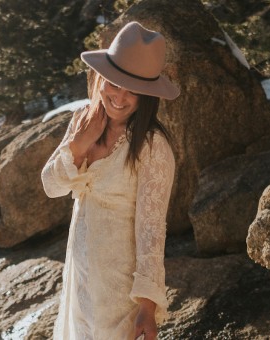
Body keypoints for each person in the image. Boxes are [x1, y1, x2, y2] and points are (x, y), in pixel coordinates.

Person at [41, 21, 179, 340]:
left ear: (147, 95)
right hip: (80, 281)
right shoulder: (85, 120)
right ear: (101, 78)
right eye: (114, 83)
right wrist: (79, 143)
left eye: (132, 90)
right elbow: (51, 186)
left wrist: (147, 306)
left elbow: (151, 231)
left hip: (119, 295)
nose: (119, 97)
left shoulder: (153, 146)